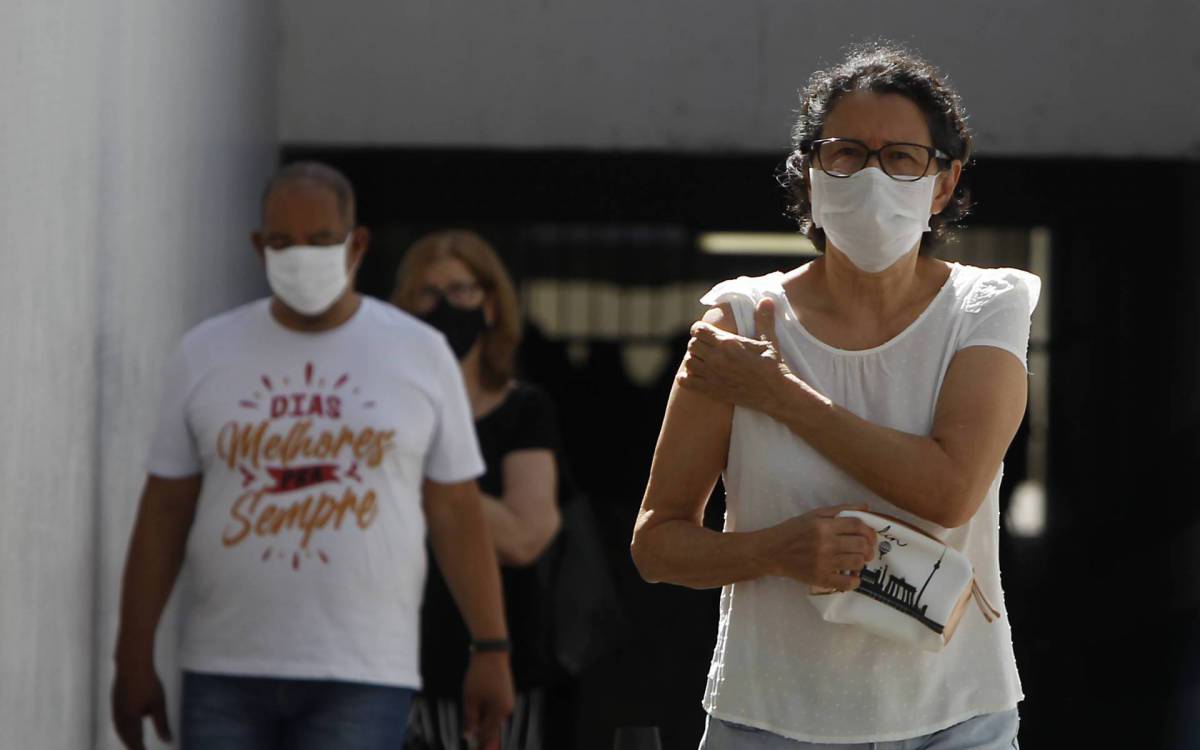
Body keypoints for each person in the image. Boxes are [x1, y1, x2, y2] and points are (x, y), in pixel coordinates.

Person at [631, 43, 1037, 749]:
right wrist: (777, 551)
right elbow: (658, 543)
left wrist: (777, 394)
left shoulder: (984, 306)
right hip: (769, 719)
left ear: (943, 184)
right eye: (845, 153)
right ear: (809, 173)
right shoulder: (741, 321)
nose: (872, 177)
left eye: (903, 157)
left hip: (954, 717)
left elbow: (947, 491)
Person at [110, 163, 514, 750]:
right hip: (226, 665)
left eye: (321, 241)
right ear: (259, 247)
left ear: (357, 244)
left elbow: (455, 510)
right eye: (282, 242)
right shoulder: (204, 354)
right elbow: (164, 510)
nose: (301, 255)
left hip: (363, 671)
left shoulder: (421, 355)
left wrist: (492, 648)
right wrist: (133, 654)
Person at [390, 230, 568, 750]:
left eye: (462, 290)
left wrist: (420, 465)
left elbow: (524, 537)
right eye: (428, 293)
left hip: (501, 660)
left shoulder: (524, 410)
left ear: (490, 305)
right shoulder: (385, 409)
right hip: (399, 658)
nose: (446, 306)